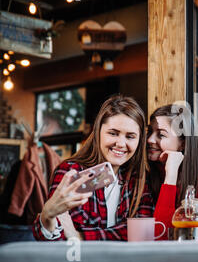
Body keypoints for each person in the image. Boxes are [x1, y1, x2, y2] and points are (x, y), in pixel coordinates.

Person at [33, 94, 152, 241]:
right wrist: (47, 217)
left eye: (130, 136)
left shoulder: (137, 179)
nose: (121, 143)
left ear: (140, 140)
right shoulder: (72, 171)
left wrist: (81, 236)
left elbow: (143, 235)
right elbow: (57, 240)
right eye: (113, 133)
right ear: (98, 133)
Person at [147, 104, 198, 239]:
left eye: (161, 135)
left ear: (182, 144)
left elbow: (164, 237)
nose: (150, 140)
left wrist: (171, 176)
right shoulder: (143, 178)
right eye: (149, 132)